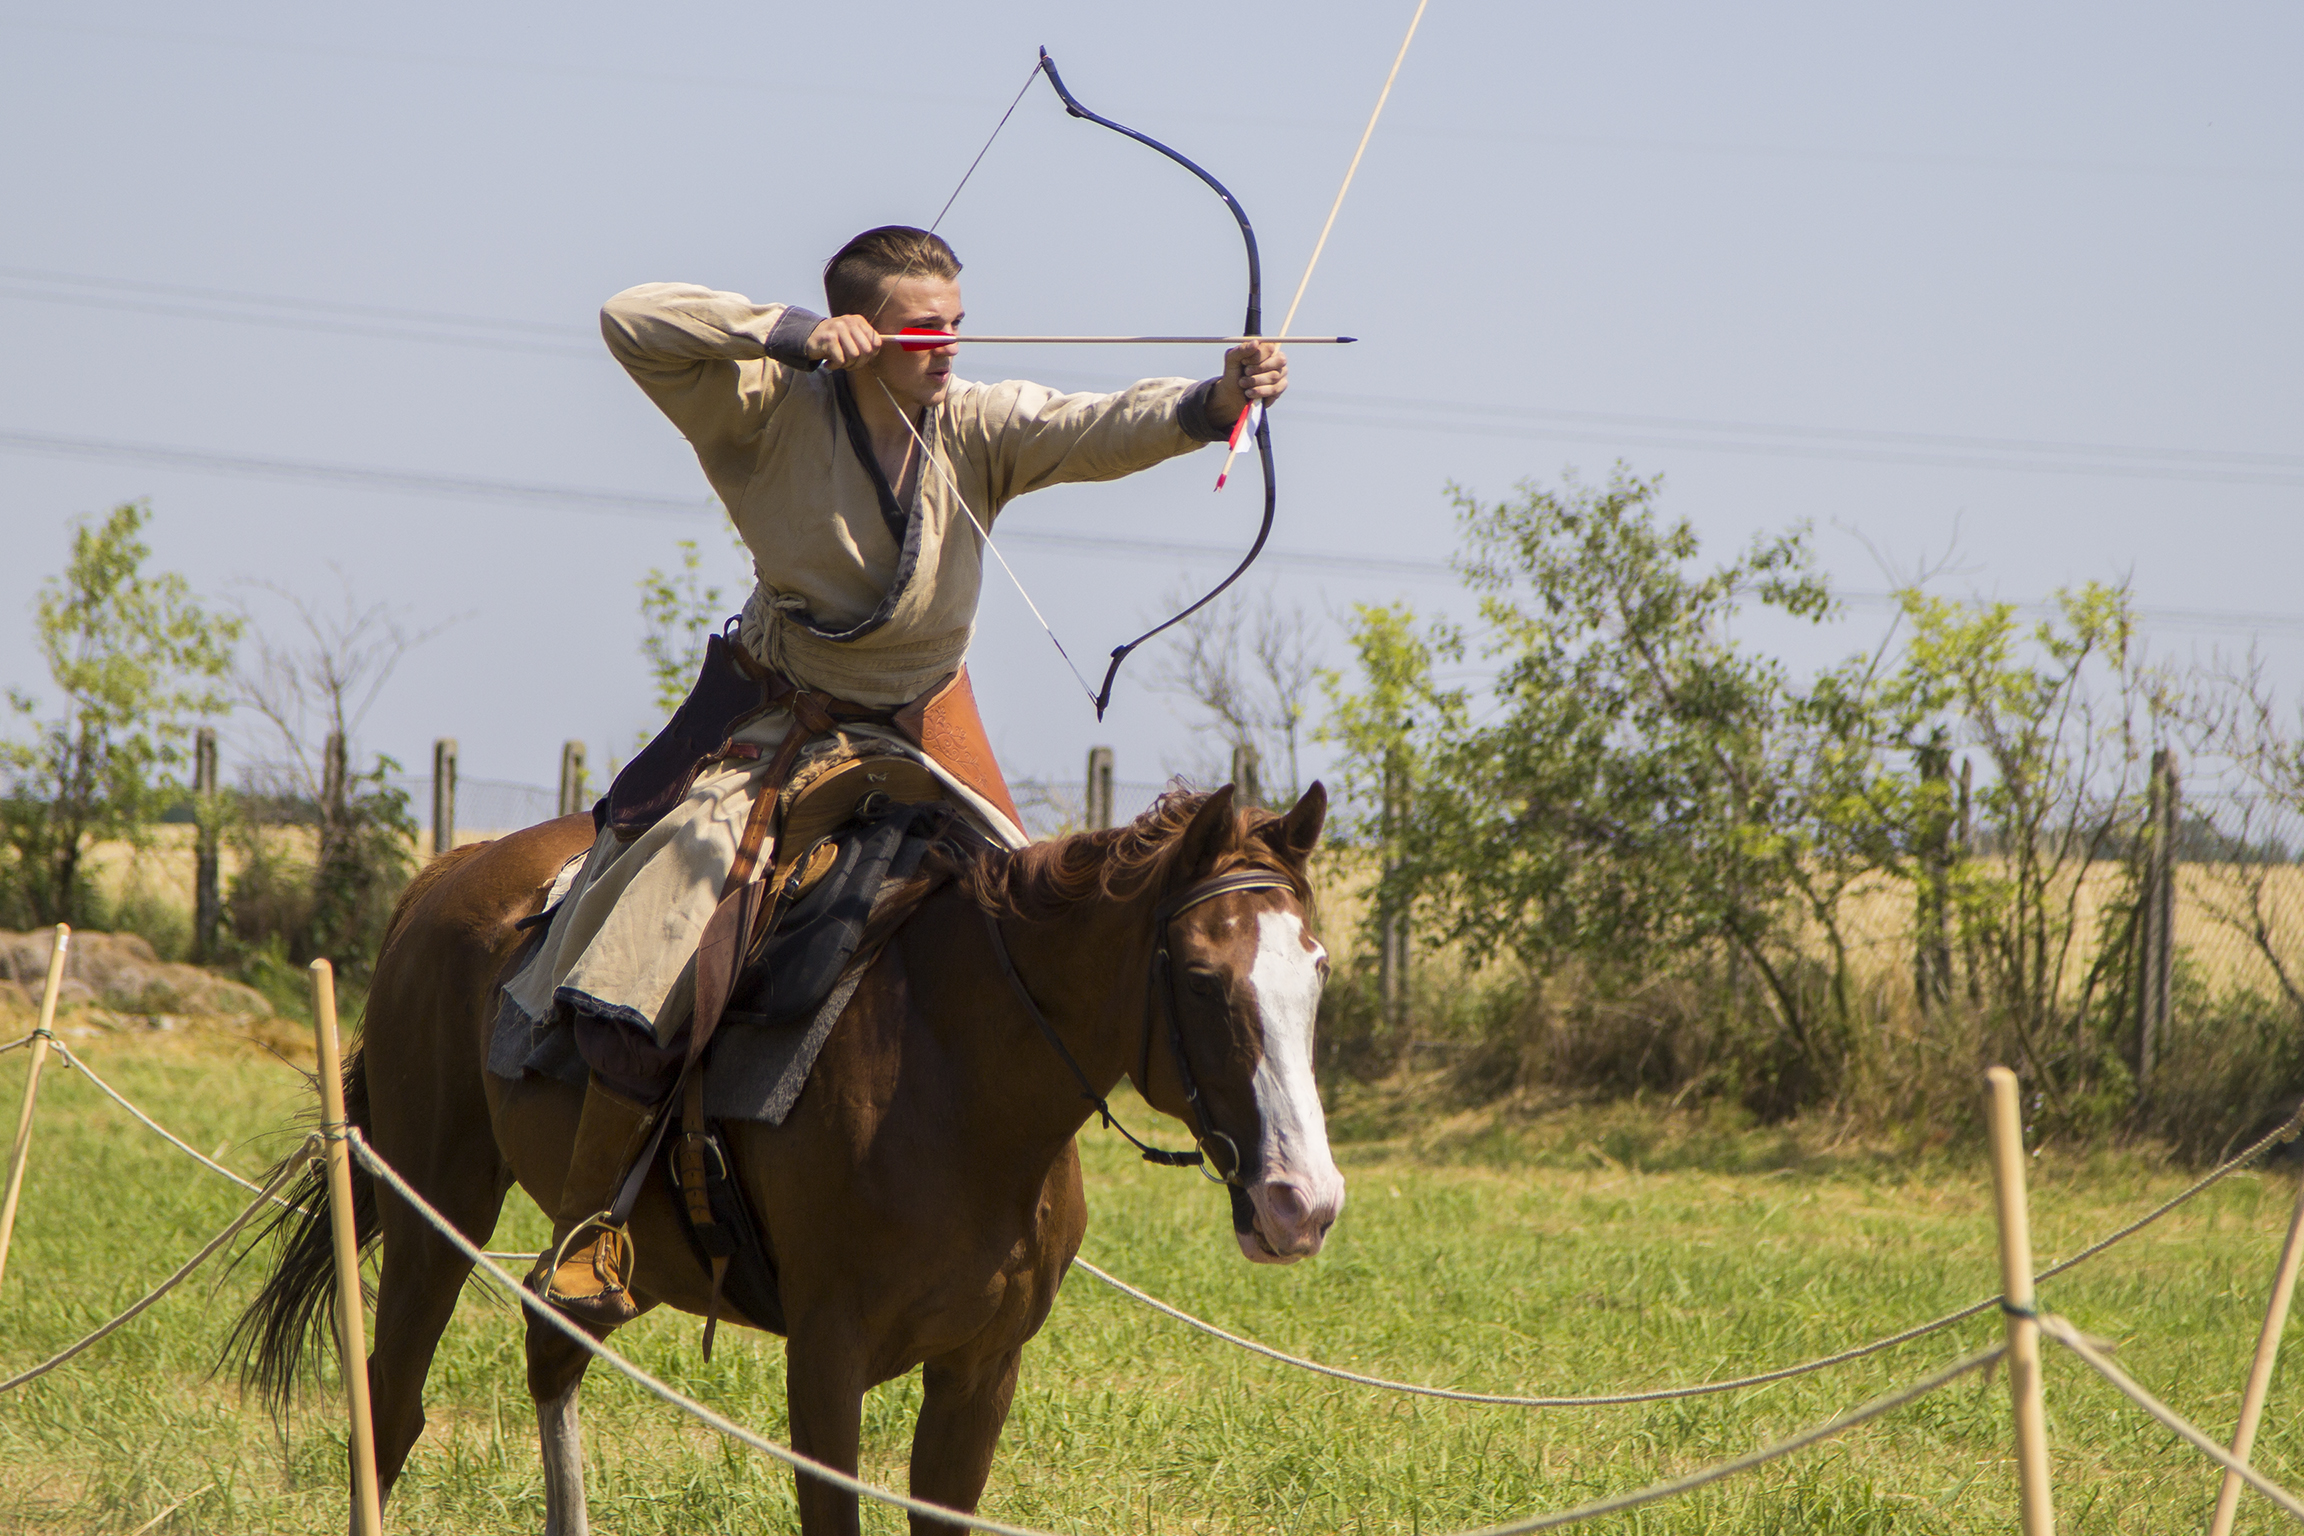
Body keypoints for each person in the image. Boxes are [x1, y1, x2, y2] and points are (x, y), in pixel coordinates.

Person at [504, 225, 1289, 1325]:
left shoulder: (976, 424)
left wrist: (1213, 401)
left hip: (928, 722)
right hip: (788, 719)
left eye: (958, 323)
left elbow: (1094, 424)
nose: (949, 345)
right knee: (670, 927)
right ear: (862, 329)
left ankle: (998, 1206)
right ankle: (593, 1228)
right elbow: (630, 315)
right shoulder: (762, 410)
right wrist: (783, 332)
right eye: (923, 327)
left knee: (1037, 919)